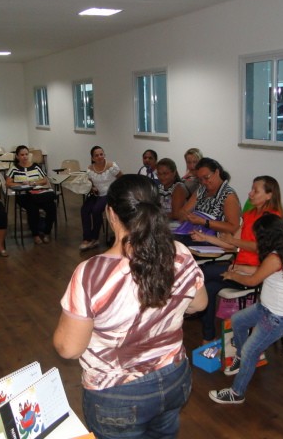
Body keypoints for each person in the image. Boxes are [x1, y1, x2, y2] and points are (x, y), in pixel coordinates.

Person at [54, 174, 208, 439]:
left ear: (111, 213)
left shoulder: (91, 273)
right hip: (174, 377)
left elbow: (69, 348)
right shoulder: (179, 252)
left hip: (117, 393)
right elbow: (199, 303)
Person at [209, 213, 283, 405]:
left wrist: (233, 276)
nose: (256, 239)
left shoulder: (275, 257)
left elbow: (253, 281)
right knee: (237, 320)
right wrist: (240, 269)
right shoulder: (281, 252)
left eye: (258, 235)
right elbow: (261, 272)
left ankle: (237, 393)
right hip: (266, 309)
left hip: (279, 318)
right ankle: (241, 357)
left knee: (250, 351)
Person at [191, 176, 283, 341]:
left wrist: (233, 241)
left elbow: (261, 247)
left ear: (269, 195)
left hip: (254, 273)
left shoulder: (273, 219)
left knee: (201, 272)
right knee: (209, 287)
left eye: (255, 191)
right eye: (251, 189)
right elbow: (232, 243)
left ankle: (187, 309)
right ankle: (208, 337)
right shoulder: (249, 215)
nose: (250, 193)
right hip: (237, 268)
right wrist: (204, 237)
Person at [175, 157, 241, 246]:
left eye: (206, 177)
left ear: (217, 172)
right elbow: (182, 212)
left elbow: (233, 227)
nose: (204, 182)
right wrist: (187, 216)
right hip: (196, 236)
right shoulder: (202, 190)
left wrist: (204, 222)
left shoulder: (228, 195)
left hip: (217, 242)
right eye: (200, 179)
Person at [5, 145, 56, 245]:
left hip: (38, 193)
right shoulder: (14, 168)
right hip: (23, 195)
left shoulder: (35, 166)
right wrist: (21, 184)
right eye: (22, 155)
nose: (24, 157)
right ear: (17, 156)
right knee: (33, 209)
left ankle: (47, 232)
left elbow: (44, 180)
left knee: (51, 207)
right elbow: (8, 183)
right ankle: (35, 234)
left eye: (26, 154)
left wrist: (33, 183)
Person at [79, 146, 122, 251]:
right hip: (97, 194)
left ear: (104, 155)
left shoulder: (111, 166)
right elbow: (90, 183)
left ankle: (95, 238)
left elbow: (122, 178)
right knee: (84, 210)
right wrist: (92, 188)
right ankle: (87, 238)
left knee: (96, 210)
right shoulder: (90, 169)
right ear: (92, 158)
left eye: (101, 154)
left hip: (109, 194)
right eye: (96, 155)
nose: (99, 157)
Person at [171, 147, 202, 220]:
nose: (192, 166)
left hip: (196, 217)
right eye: (189, 162)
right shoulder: (184, 179)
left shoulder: (204, 181)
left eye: (195, 162)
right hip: (183, 217)